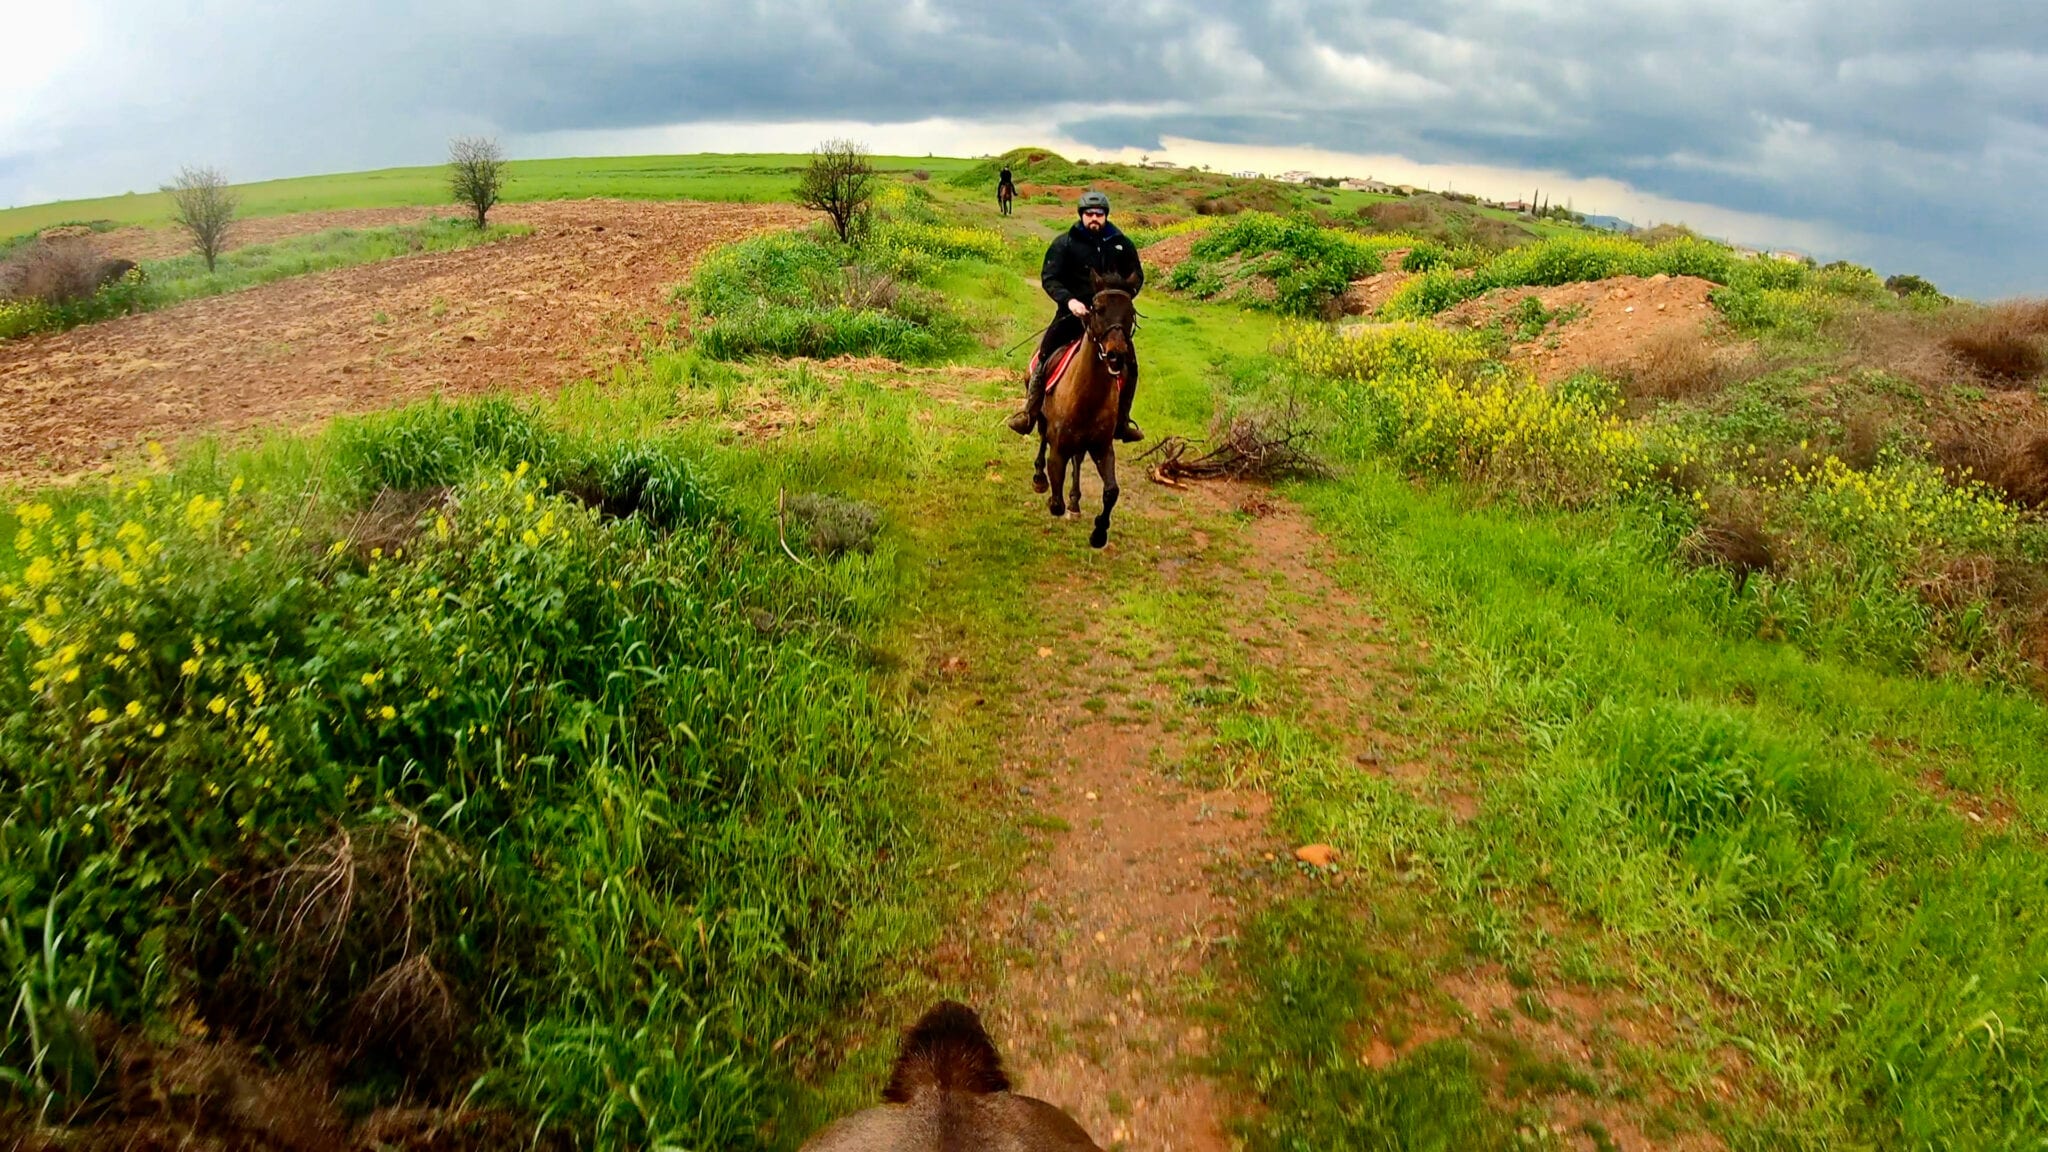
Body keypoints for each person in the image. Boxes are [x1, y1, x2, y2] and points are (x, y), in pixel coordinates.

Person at [1006, 190, 1145, 441]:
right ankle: (1030, 413)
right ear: (1081, 215)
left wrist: (1120, 303)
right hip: (1072, 315)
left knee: (1131, 364)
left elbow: (1136, 276)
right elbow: (1050, 278)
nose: (1094, 218)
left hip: (1108, 322)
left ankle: (1122, 423)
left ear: (1106, 216)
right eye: (1089, 214)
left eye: (1099, 214)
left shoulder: (1122, 243)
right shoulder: (1065, 243)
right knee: (1044, 356)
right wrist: (1069, 301)